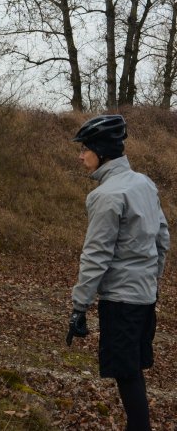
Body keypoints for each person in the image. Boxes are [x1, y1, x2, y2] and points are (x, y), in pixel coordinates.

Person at [67, 114, 169, 431]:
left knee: (126, 373)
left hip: (122, 300)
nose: (80, 156)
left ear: (102, 151)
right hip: (144, 295)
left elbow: (96, 255)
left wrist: (79, 306)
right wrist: (152, 281)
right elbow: (163, 238)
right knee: (133, 368)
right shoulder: (144, 184)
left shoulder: (106, 195)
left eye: (85, 149)